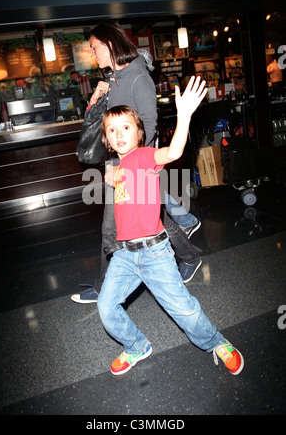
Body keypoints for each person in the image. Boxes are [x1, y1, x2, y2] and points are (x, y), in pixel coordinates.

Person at [96, 77, 244, 376]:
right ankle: (136, 346)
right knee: (105, 308)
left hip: (154, 253)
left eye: (126, 127)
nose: (119, 134)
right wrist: (110, 177)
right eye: (112, 130)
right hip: (124, 255)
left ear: (140, 134)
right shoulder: (119, 167)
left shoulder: (143, 156)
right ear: (107, 140)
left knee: (184, 309)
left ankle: (217, 342)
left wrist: (185, 115)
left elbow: (173, 153)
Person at [71, 21, 201, 304]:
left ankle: (106, 287)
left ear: (108, 44)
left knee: (111, 227)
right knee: (154, 218)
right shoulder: (114, 78)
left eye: (94, 48)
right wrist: (95, 100)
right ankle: (190, 254)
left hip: (132, 165)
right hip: (118, 162)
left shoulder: (137, 77)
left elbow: (150, 126)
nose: (92, 54)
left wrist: (126, 165)